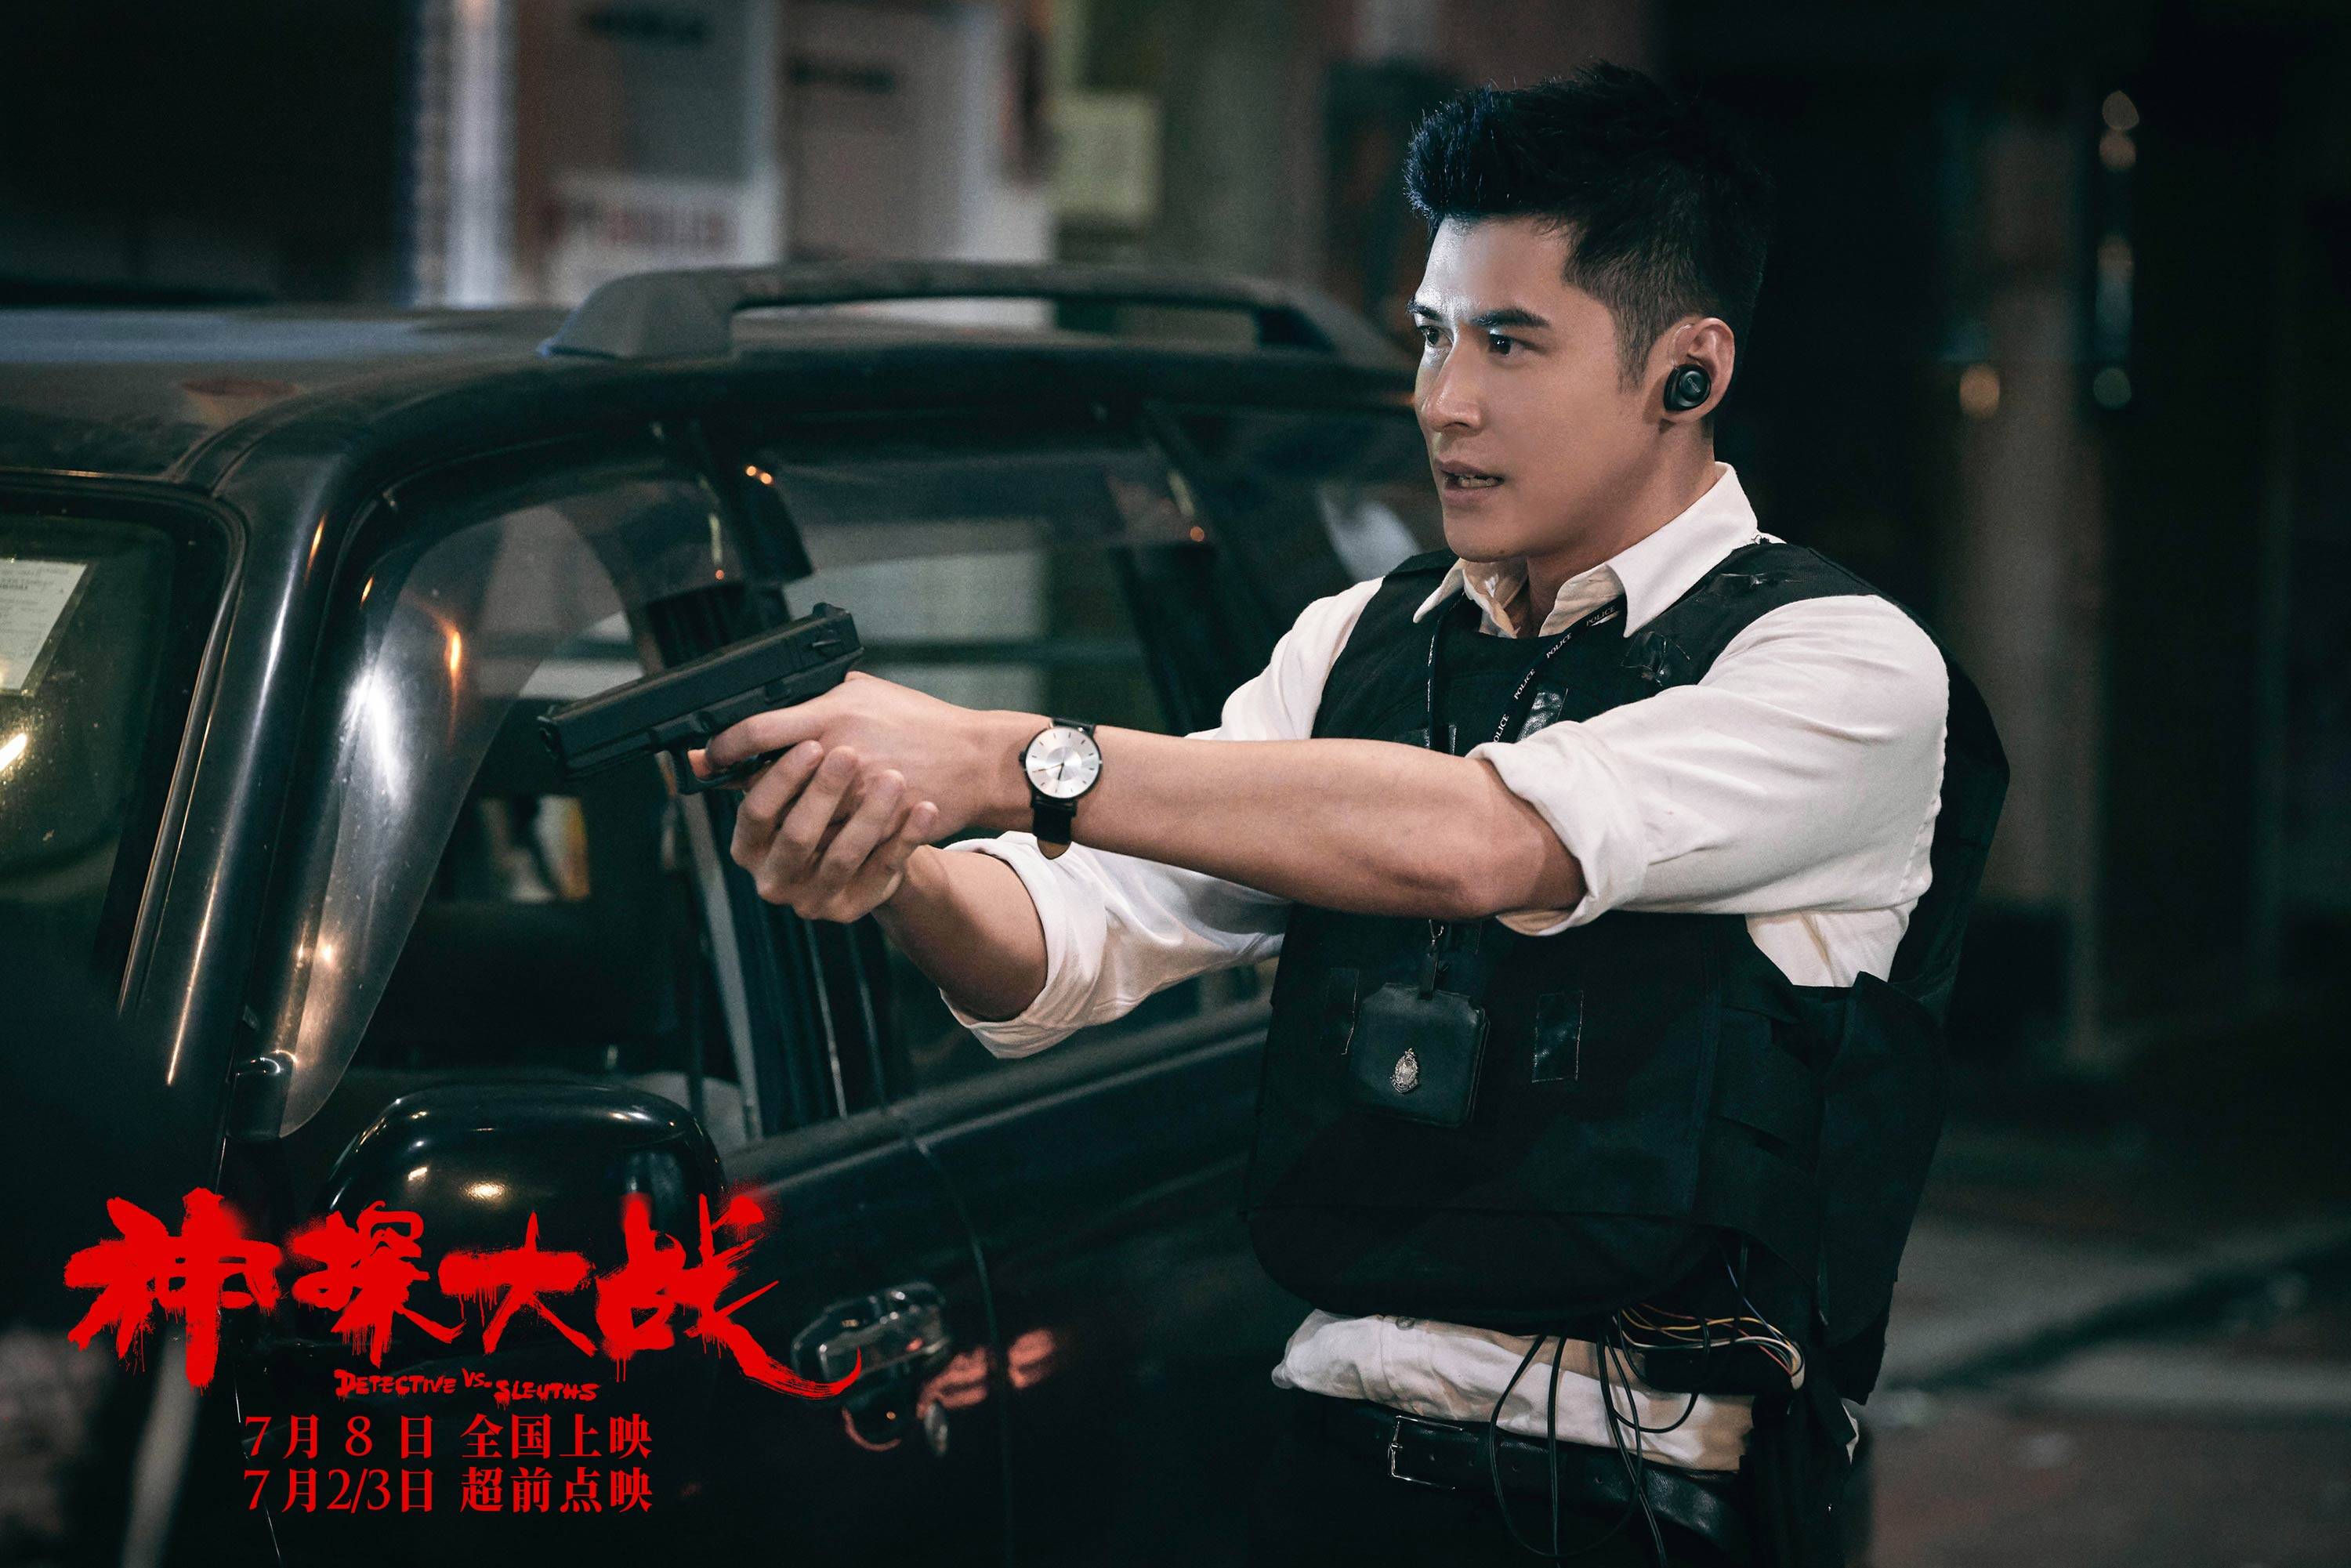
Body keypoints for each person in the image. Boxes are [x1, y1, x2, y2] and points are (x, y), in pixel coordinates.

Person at [693, 63, 2001, 1567]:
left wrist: (1010, 756)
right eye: (1433, 335)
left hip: (1635, 1509)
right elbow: (1063, 943)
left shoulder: (1842, 665)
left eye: (1510, 342)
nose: (1444, 399)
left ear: (1687, 374)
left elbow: (1488, 841)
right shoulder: (1356, 643)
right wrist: (896, 854)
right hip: (1327, 1467)